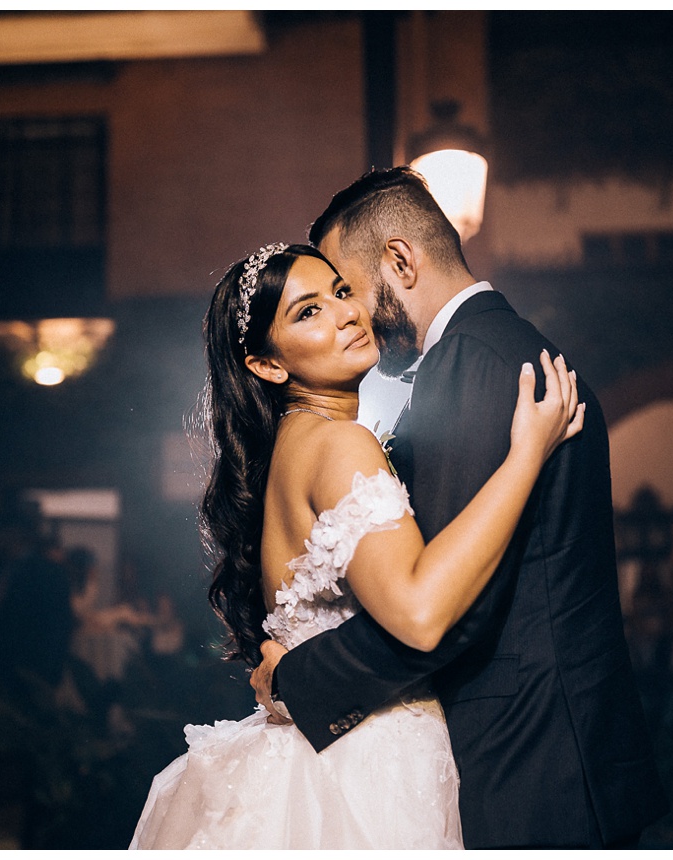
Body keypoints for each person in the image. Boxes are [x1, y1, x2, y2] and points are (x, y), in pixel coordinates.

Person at [252, 166, 667, 849]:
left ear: (400, 261)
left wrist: (300, 676)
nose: (352, 313)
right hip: (555, 750)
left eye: (347, 289)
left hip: (532, 760)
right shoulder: (508, 348)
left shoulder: (471, 363)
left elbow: (446, 607)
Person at [129, 240, 584, 849]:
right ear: (267, 365)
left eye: (341, 293)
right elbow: (421, 615)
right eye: (307, 311)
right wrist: (526, 455)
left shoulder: (292, 448)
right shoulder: (338, 446)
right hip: (368, 772)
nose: (345, 313)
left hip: (317, 754)